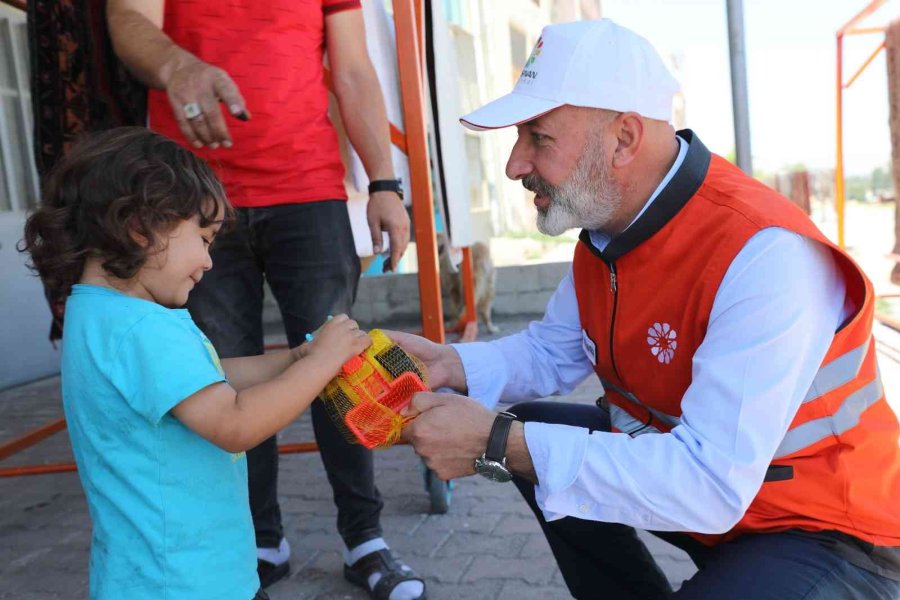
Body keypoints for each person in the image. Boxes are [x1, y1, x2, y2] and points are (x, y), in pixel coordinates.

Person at [390, 19, 900, 600]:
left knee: (519, 441)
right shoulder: (611, 233)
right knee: (533, 432)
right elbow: (552, 350)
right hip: (726, 507)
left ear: (624, 139)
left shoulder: (764, 254)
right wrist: (447, 364)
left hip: (825, 530)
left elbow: (708, 485)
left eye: (538, 136)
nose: (514, 164)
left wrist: (496, 442)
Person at [105, 2, 424, 598]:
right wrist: (177, 65)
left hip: (309, 187)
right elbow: (125, 20)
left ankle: (366, 538)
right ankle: (258, 539)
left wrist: (383, 182)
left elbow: (353, 69)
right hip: (189, 198)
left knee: (341, 362)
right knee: (218, 378)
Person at [19, 127, 373, 600]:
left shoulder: (98, 313)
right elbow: (233, 422)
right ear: (141, 227)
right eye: (204, 239)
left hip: (146, 577)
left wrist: (295, 358)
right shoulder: (145, 329)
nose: (208, 261)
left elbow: (207, 379)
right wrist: (322, 363)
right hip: (188, 581)